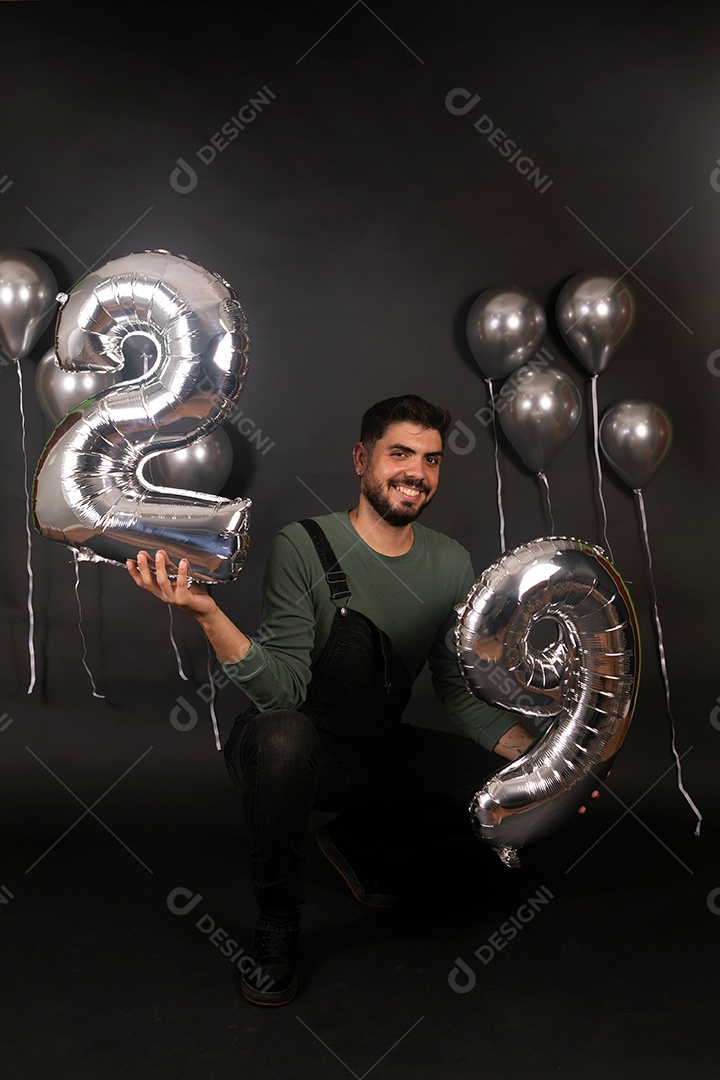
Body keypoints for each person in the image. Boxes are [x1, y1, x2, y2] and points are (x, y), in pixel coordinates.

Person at [126, 394, 546, 1006]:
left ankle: (362, 842)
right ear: (361, 459)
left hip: (374, 752)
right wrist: (208, 614)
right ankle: (277, 924)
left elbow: (456, 688)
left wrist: (536, 761)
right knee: (283, 735)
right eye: (399, 454)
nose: (416, 474)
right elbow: (285, 691)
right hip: (288, 746)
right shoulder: (305, 546)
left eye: (431, 460)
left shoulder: (451, 563)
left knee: (502, 791)